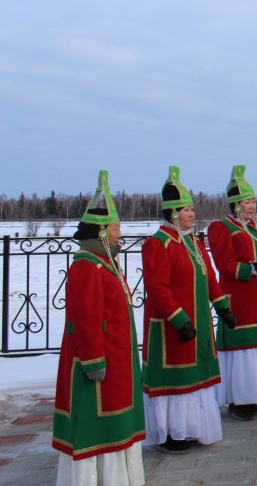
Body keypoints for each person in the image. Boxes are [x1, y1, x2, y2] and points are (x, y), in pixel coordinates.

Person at [52, 170, 145, 486]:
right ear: (102, 234)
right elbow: (87, 320)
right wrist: (94, 362)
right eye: (117, 229)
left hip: (117, 360)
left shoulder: (105, 263)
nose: (121, 235)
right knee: (98, 424)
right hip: (100, 365)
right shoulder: (87, 267)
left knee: (117, 424)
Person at [141, 166, 237, 453]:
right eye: (185, 210)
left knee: (196, 381)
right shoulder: (159, 245)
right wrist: (179, 319)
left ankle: (192, 428)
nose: (192, 214)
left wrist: (222, 307)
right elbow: (158, 288)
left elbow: (209, 275)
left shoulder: (194, 242)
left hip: (200, 325)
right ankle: (171, 432)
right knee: (177, 381)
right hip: (173, 328)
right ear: (172, 213)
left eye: (193, 209)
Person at [206, 165, 257, 421]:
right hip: (239, 297)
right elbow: (224, 264)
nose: (252, 206)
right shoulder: (220, 228)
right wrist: (250, 269)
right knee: (243, 351)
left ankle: (253, 396)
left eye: (253, 201)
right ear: (235, 204)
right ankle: (237, 401)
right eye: (247, 201)